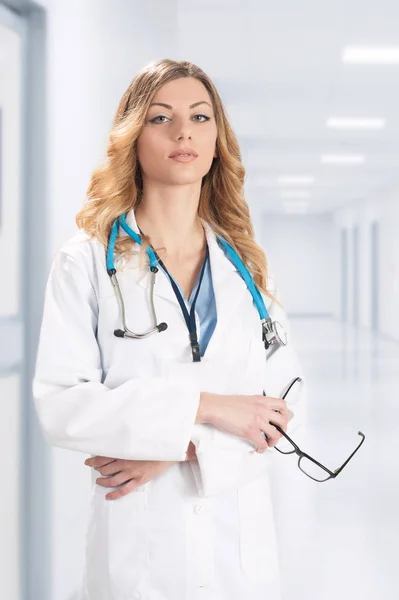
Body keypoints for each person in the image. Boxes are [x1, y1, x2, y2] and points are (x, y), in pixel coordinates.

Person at [32, 58, 306, 600]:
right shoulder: (86, 262)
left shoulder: (246, 266)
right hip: (140, 547)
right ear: (133, 137)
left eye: (201, 117)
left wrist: (181, 446)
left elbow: (284, 399)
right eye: (161, 118)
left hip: (240, 549)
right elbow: (62, 406)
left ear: (216, 139)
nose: (184, 131)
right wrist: (208, 408)